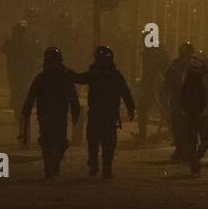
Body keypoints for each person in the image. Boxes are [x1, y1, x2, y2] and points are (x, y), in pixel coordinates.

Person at [68, 45, 134, 178]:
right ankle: (105, 169)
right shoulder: (115, 75)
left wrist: (68, 73)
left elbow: (80, 78)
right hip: (108, 114)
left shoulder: (95, 73)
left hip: (97, 114)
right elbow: (125, 92)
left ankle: (94, 166)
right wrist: (131, 108)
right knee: (108, 143)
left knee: (94, 141)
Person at [19, 46, 80, 180]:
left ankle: (54, 163)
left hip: (58, 115)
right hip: (47, 115)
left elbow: (73, 97)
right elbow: (31, 96)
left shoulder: (62, 77)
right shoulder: (42, 78)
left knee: (60, 142)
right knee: (48, 141)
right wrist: (26, 112)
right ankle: (49, 166)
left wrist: (76, 113)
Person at [179, 55, 208, 176]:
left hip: (189, 113)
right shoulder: (206, 77)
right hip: (203, 113)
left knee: (192, 140)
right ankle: (196, 159)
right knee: (205, 140)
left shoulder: (186, 76)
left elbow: (182, 94)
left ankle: (194, 160)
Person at [3, 22, 39, 138]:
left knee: (21, 94)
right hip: (16, 73)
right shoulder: (13, 44)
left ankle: (21, 115)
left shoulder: (27, 44)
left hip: (23, 74)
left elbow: (34, 57)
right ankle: (19, 114)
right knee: (17, 94)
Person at [164, 42, 196, 161]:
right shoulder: (192, 64)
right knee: (184, 125)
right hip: (186, 100)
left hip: (183, 100)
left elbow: (167, 81)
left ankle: (183, 149)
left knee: (180, 125)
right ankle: (185, 149)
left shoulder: (178, 64)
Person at [135, 43, 172, 143]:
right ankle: (171, 132)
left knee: (145, 108)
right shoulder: (157, 53)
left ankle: (171, 132)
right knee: (165, 109)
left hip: (156, 86)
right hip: (158, 85)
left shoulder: (152, 55)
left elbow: (151, 73)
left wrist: (146, 83)